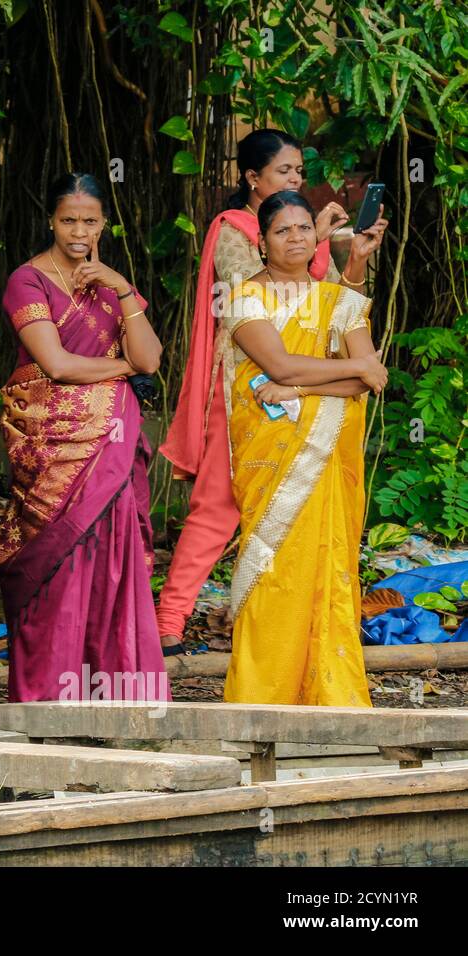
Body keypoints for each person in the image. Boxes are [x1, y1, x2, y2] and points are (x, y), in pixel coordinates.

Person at [155, 128, 387, 653]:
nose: (294, 178)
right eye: (284, 171)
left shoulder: (300, 230)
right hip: (249, 381)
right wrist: (320, 240)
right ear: (252, 178)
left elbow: (324, 307)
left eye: (299, 173)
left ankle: (301, 627)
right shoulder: (234, 230)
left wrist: (349, 260)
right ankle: (170, 618)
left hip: (309, 388)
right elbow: (270, 298)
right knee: (218, 503)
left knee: (304, 508)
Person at [0, 173, 170, 703]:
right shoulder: (28, 280)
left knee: (112, 557)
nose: (78, 230)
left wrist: (120, 288)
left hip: (111, 443)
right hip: (52, 446)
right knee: (60, 559)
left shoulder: (116, 285)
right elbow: (55, 364)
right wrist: (122, 369)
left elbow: (151, 360)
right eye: (68, 220)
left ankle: (116, 697)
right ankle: (51, 697)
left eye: (89, 221)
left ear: (103, 223)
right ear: (51, 220)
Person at [220, 191, 387, 705]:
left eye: (302, 228)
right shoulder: (243, 297)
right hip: (272, 455)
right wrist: (349, 368)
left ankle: (332, 703)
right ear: (263, 243)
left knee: (327, 569)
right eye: (282, 230)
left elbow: (366, 382)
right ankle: (261, 703)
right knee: (276, 573)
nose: (295, 237)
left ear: (316, 236)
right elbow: (282, 364)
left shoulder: (339, 300)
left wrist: (300, 389)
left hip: (327, 453)